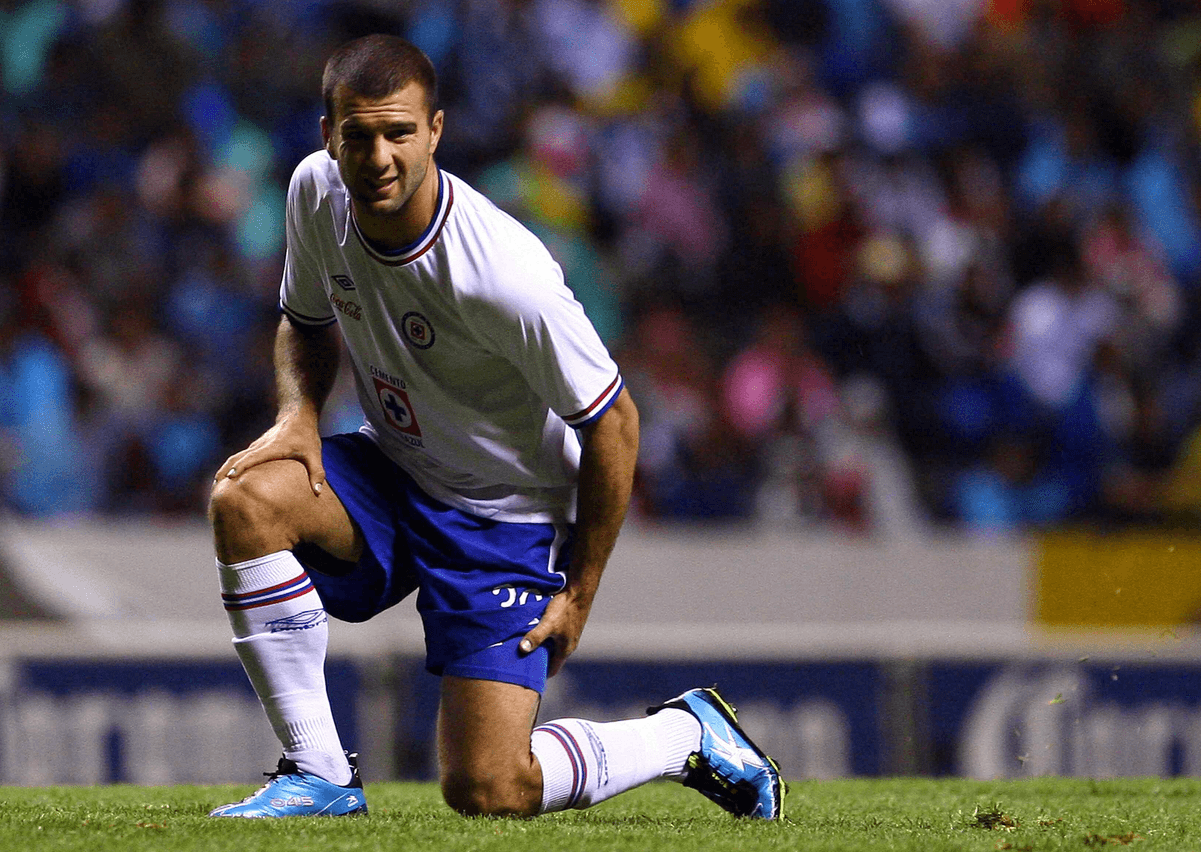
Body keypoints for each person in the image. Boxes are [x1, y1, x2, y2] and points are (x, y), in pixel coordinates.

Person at [205, 34, 785, 821]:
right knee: (244, 498)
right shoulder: (315, 192)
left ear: (435, 131)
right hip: (393, 470)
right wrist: (299, 415)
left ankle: (686, 735)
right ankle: (318, 774)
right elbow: (303, 321)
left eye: (399, 133)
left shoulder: (505, 276)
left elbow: (614, 422)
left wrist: (580, 591)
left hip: (501, 512)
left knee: (488, 787)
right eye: (358, 135)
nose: (378, 156)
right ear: (327, 136)